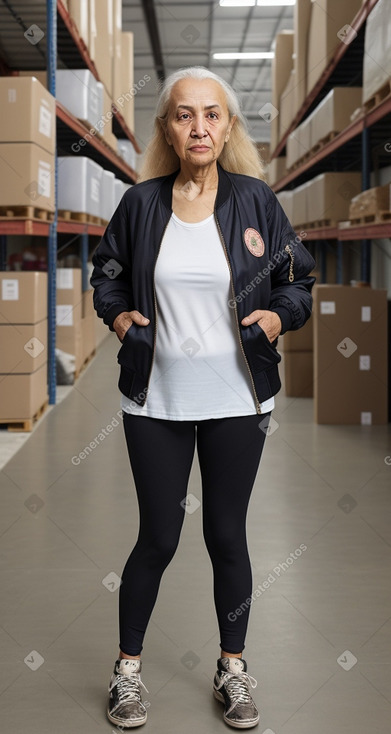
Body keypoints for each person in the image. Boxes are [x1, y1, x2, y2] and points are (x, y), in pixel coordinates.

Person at [90, 65, 316, 730]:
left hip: (236, 399)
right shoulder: (141, 204)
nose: (198, 126)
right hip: (154, 398)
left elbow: (297, 277)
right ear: (167, 127)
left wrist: (279, 316)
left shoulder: (255, 201)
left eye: (211, 114)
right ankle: (126, 673)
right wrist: (119, 316)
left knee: (226, 535)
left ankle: (232, 668)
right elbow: (106, 275)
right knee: (157, 537)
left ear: (227, 126)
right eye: (184, 114)